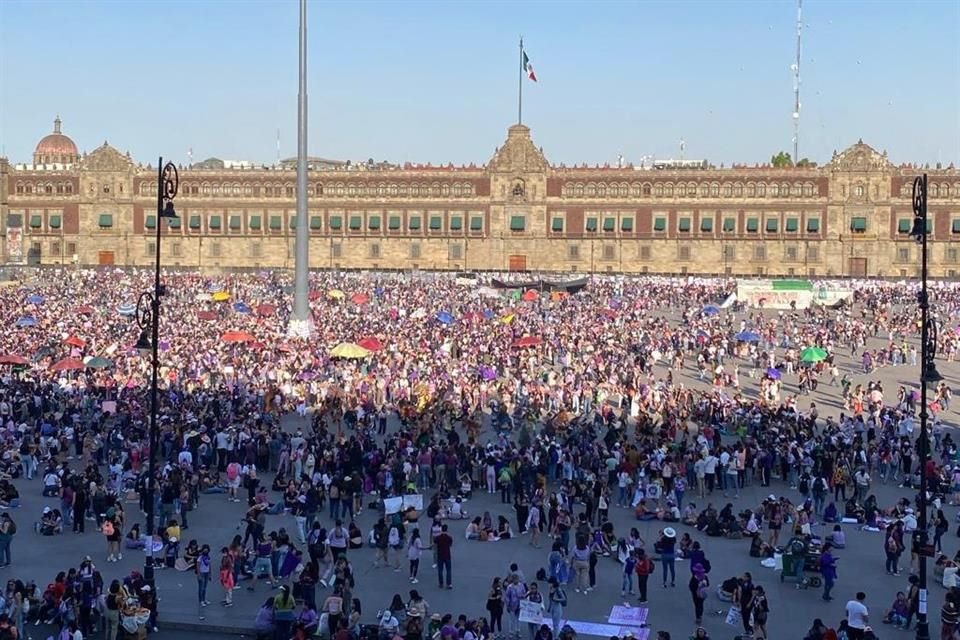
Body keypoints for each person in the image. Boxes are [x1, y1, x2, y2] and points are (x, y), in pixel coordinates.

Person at [435, 524, 453, 589]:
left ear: (441, 529)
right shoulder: (449, 538)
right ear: (447, 529)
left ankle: (441, 583)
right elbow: (450, 545)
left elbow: (435, 544)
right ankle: (449, 584)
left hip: (440, 555)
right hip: (447, 555)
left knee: (440, 570)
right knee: (448, 570)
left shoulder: (437, 538)